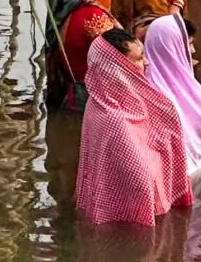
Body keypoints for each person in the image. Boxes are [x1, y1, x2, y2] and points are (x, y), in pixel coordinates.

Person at [74, 30, 191, 225]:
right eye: (138, 58)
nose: (145, 62)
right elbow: (139, 179)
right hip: (133, 219)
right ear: (118, 67)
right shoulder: (114, 117)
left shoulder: (98, 101)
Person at [139, 15, 201, 178]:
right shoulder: (155, 97)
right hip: (189, 185)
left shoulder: (186, 88)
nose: (192, 50)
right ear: (171, 46)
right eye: (189, 43)